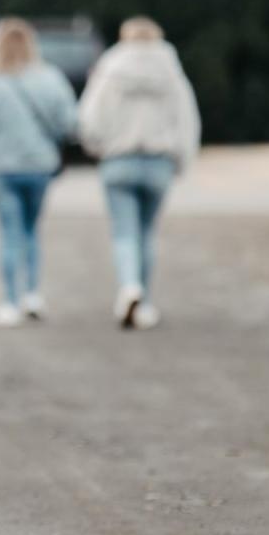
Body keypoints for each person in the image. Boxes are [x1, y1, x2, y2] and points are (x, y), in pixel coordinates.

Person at [77, 16, 200, 329]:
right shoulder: (171, 72)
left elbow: (90, 116)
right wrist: (183, 158)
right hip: (158, 161)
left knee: (123, 232)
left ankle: (128, 285)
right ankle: (142, 301)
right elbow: (187, 119)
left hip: (118, 160)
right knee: (146, 233)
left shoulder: (111, 69)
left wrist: (96, 147)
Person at [0, 19, 76, 327]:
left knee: (9, 233)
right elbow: (69, 123)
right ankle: (32, 295)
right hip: (40, 167)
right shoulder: (51, 78)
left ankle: (9, 303)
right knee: (31, 231)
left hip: (3, 169)